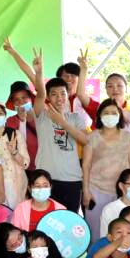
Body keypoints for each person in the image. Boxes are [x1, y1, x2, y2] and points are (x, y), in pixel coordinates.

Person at [35, 79, 90, 212]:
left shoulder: (75, 117)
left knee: (69, 219)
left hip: (72, 179)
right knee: (46, 219)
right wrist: (39, 72)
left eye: (62, 93)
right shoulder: (41, 115)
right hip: (45, 180)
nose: (59, 98)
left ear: (68, 94)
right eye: (54, 94)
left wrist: (63, 122)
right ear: (48, 97)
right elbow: (40, 93)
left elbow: (85, 140)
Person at [80, 99, 130, 234]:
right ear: (99, 116)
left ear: (119, 115)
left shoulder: (129, 137)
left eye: (114, 113)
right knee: (95, 231)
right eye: (106, 113)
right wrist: (86, 190)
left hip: (123, 191)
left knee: (120, 231)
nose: (110, 116)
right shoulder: (92, 137)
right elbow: (86, 165)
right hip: (96, 190)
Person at [0, 102, 28, 208]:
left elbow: (25, 164)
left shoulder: (15, 134)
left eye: (0, 114)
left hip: (18, 184)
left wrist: (14, 152)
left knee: (18, 214)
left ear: (5, 116)